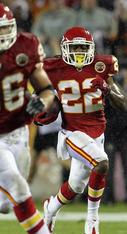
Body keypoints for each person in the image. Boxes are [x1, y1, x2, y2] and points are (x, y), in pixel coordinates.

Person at [35, 27, 124, 234]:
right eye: (74, 47)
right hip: (72, 133)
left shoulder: (102, 65)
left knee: (75, 186)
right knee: (101, 164)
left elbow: (121, 103)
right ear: (65, 48)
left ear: (91, 49)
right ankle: (92, 220)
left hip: (96, 133)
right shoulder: (52, 67)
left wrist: (109, 90)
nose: (78, 52)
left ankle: (51, 208)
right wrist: (40, 109)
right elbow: (41, 96)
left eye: (83, 48)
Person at [0, 3, 55, 234]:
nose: (3, 34)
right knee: (17, 186)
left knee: (5, 205)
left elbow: (47, 89)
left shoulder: (26, 45)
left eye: (6, 28)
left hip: (19, 133)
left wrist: (42, 101)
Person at [102, 68, 127, 205]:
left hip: (126, 136)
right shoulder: (106, 95)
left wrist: (118, 91)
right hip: (111, 136)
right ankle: (109, 199)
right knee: (108, 170)